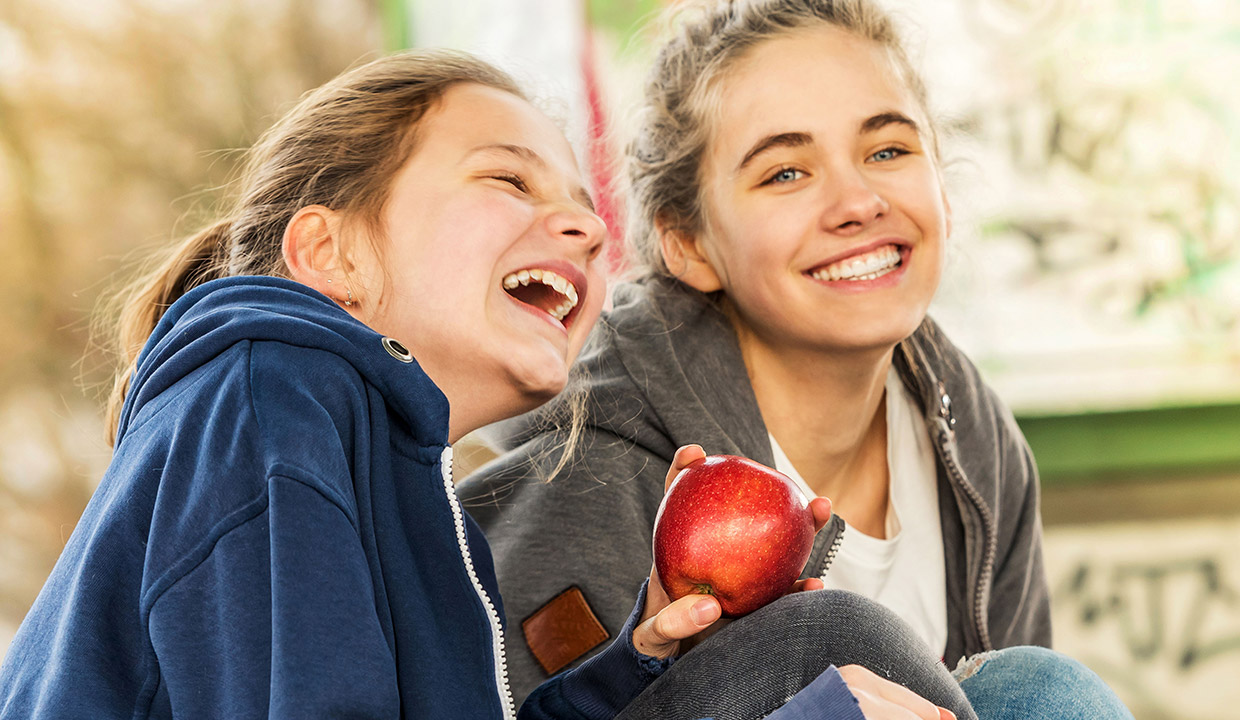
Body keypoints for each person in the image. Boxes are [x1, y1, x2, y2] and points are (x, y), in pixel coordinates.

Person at [0, 49, 969, 720]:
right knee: (835, 650)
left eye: (584, 210)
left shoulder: (408, 486)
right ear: (328, 250)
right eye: (510, 182)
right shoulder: (268, 394)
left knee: (994, 680)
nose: (589, 232)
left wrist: (638, 658)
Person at [460, 0, 1092, 713]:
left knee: (1037, 687)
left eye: (888, 151)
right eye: (786, 173)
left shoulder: (971, 436)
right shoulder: (592, 472)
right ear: (688, 244)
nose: (858, 200)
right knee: (836, 634)